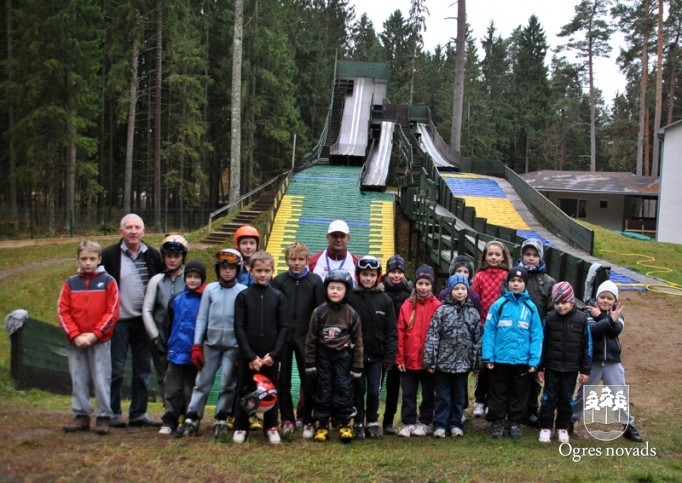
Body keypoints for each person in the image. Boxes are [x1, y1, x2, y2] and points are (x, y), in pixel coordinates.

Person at [175, 249, 247, 439]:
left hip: (233, 346)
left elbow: (245, 322)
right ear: (218, 269)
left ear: (237, 270)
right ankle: (192, 417)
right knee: (202, 382)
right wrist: (197, 345)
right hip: (211, 344)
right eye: (224, 268)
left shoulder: (243, 291)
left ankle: (221, 418)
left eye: (231, 268)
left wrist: (243, 349)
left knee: (227, 384)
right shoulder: (210, 289)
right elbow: (202, 318)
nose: (227, 272)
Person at [101, 214, 164, 428]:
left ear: (144, 231)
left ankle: (138, 413)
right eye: (129, 227)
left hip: (143, 323)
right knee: (116, 369)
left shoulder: (153, 255)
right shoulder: (109, 255)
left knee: (143, 370)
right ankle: (112, 412)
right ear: (121, 232)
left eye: (138, 227)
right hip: (118, 322)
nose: (133, 231)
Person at [59, 241, 120, 435]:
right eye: (84, 259)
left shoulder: (108, 282)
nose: (87, 263)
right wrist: (76, 335)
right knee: (78, 377)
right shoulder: (70, 283)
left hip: (99, 340)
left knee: (102, 378)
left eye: (92, 259)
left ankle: (103, 416)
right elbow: (63, 311)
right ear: (77, 259)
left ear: (99, 259)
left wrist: (95, 334)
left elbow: (112, 311)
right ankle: (81, 415)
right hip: (76, 341)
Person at [572, 280, 643, 442]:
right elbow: (593, 330)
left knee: (620, 393)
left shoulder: (618, 313)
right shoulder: (587, 312)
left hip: (612, 361)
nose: (605, 301)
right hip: (594, 361)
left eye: (609, 298)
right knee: (584, 393)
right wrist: (606, 319)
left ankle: (627, 425)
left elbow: (616, 330)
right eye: (602, 297)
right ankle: (571, 419)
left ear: (615, 301)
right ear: (597, 298)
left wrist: (603, 317)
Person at [232, 251, 288, 444]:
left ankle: (271, 426)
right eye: (258, 271)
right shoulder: (243, 296)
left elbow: (284, 327)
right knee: (244, 389)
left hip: (270, 356)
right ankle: (241, 426)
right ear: (250, 270)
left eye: (266, 271)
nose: (262, 274)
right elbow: (238, 327)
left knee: (272, 390)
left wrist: (274, 354)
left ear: (273, 271)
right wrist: (249, 355)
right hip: (249, 355)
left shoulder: (279, 296)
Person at [271, 241, 325, 438]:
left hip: (306, 336)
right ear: (286, 260)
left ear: (306, 260)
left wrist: (317, 337)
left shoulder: (315, 281)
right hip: (283, 336)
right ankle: (287, 418)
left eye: (301, 259)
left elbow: (320, 311)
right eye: (292, 259)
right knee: (282, 380)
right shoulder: (279, 281)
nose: (296, 263)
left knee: (308, 379)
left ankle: (309, 419)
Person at [482, 267, 543, 439]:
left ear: (525, 284)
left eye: (520, 281)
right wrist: (488, 356)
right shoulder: (498, 305)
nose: (516, 284)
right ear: (508, 283)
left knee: (519, 393)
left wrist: (534, 361)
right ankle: (498, 421)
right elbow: (489, 331)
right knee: (498, 391)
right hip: (500, 359)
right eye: (513, 281)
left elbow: (536, 336)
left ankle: (515, 422)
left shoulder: (531, 308)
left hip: (522, 361)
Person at [305, 270, 364, 443]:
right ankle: (322, 424)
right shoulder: (319, 312)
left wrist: (357, 366)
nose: (335, 292)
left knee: (344, 388)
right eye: (332, 288)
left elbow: (358, 341)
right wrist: (310, 362)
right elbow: (311, 339)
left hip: (343, 357)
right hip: (323, 356)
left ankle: (345, 424)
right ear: (326, 290)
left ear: (347, 291)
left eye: (339, 288)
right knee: (323, 389)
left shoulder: (351, 313)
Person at [424, 274, 481, 438]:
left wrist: (476, 364)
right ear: (450, 291)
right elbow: (433, 336)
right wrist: (431, 361)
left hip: (462, 365)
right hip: (443, 363)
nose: (460, 292)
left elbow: (477, 340)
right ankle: (440, 424)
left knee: (459, 397)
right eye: (456, 289)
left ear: (467, 291)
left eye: (463, 288)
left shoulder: (473, 313)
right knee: (443, 396)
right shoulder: (441, 311)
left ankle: (456, 423)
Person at [348, 256, 397, 440]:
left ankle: (372, 422)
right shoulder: (351, 297)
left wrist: (389, 357)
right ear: (358, 275)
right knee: (358, 389)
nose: (367, 278)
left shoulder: (385, 299)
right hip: (357, 355)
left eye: (371, 275)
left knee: (375, 390)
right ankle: (358, 422)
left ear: (377, 276)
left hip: (377, 356)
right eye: (364, 275)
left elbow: (391, 331)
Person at [537, 281, 592, 444]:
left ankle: (563, 427)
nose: (561, 306)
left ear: (572, 301)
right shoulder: (549, 318)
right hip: (552, 367)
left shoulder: (582, 320)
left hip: (571, 368)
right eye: (557, 303)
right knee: (548, 398)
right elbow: (543, 344)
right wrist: (541, 367)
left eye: (564, 302)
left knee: (567, 399)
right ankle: (545, 427)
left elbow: (587, 346)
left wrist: (585, 370)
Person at [158, 260, 207, 435]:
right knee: (172, 387)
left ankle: (190, 419)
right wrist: (164, 344)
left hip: (194, 352)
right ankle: (170, 419)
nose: (192, 280)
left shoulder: (205, 300)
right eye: (189, 277)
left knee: (190, 389)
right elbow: (167, 323)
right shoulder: (177, 299)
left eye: (196, 277)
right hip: (175, 351)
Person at [142, 234, 189, 405]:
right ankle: (169, 411)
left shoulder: (189, 279)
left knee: (184, 376)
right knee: (164, 375)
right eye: (169, 256)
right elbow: (147, 310)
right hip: (160, 337)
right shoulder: (156, 280)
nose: (172, 260)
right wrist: (154, 336)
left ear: (183, 257)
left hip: (183, 336)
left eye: (176, 256)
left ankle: (183, 412)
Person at [396, 264, 441, 438]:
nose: (423, 287)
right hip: (409, 359)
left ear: (432, 285)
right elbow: (400, 332)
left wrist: (436, 359)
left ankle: (424, 421)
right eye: (420, 283)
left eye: (427, 284)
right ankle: (408, 422)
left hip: (428, 361)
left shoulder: (438, 306)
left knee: (429, 393)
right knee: (408, 393)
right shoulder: (407, 306)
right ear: (415, 284)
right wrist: (399, 358)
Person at [517, 238, 556, 427]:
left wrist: (543, 328)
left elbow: (551, 309)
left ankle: (531, 410)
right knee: (517, 373)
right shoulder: (514, 278)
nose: (530, 258)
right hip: (516, 333)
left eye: (534, 255)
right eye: (527, 254)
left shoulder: (548, 282)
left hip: (536, 334)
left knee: (534, 374)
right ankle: (515, 408)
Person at [470, 240, 512, 418]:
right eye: (490, 254)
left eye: (497, 254)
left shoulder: (507, 275)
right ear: (485, 256)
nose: (493, 257)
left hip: (501, 326)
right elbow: (474, 298)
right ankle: (480, 400)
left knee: (496, 366)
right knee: (483, 364)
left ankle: (491, 402)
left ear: (503, 256)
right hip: (482, 324)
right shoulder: (480, 276)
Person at [380, 254, 412, 435]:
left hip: (401, 344)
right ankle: (369, 418)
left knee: (394, 385)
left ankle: (388, 421)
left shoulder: (410, 293)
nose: (396, 276)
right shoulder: (381, 290)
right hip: (382, 342)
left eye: (400, 272)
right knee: (377, 384)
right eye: (393, 271)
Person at [308, 220, 359, 284]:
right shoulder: (313, 261)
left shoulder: (356, 263)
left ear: (348, 238)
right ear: (327, 237)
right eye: (334, 236)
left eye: (342, 236)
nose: (338, 240)